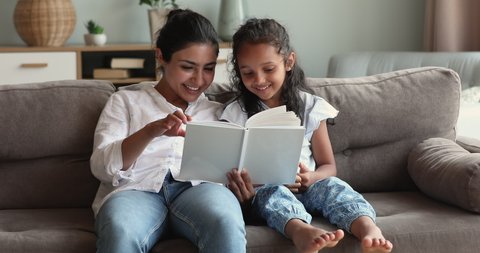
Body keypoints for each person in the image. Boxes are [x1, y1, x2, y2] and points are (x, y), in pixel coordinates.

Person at [222, 18, 393, 253]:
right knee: (272, 194)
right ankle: (300, 231)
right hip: (266, 191)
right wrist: (247, 185)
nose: (259, 80)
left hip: (308, 187)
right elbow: (228, 170)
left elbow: (329, 165)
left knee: (334, 186)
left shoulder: (310, 106)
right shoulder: (235, 112)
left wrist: (311, 178)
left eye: (269, 69)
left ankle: (368, 229)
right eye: (248, 72)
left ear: (289, 61)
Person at [90, 9, 246, 253]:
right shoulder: (126, 101)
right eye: (188, 67)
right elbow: (101, 166)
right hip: (136, 191)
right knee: (120, 229)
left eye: (208, 68)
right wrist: (151, 131)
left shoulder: (221, 111)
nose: (199, 79)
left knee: (226, 221)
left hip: (199, 191)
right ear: (161, 56)